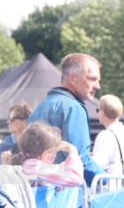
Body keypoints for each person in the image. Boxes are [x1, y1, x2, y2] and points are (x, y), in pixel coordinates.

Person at [27, 53, 105, 183]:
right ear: (73, 78)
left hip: (38, 192)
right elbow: (81, 160)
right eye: (92, 79)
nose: (98, 86)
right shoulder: (73, 108)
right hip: (67, 195)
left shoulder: (40, 107)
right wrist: (108, 179)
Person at [18, 122, 84, 187]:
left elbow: (59, 169)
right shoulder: (37, 168)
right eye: (54, 152)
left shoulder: (30, 165)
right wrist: (73, 151)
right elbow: (76, 178)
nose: (55, 156)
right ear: (46, 154)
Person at [92, 94, 124, 174]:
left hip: (112, 184)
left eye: (98, 110)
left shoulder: (104, 136)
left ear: (102, 113)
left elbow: (97, 164)